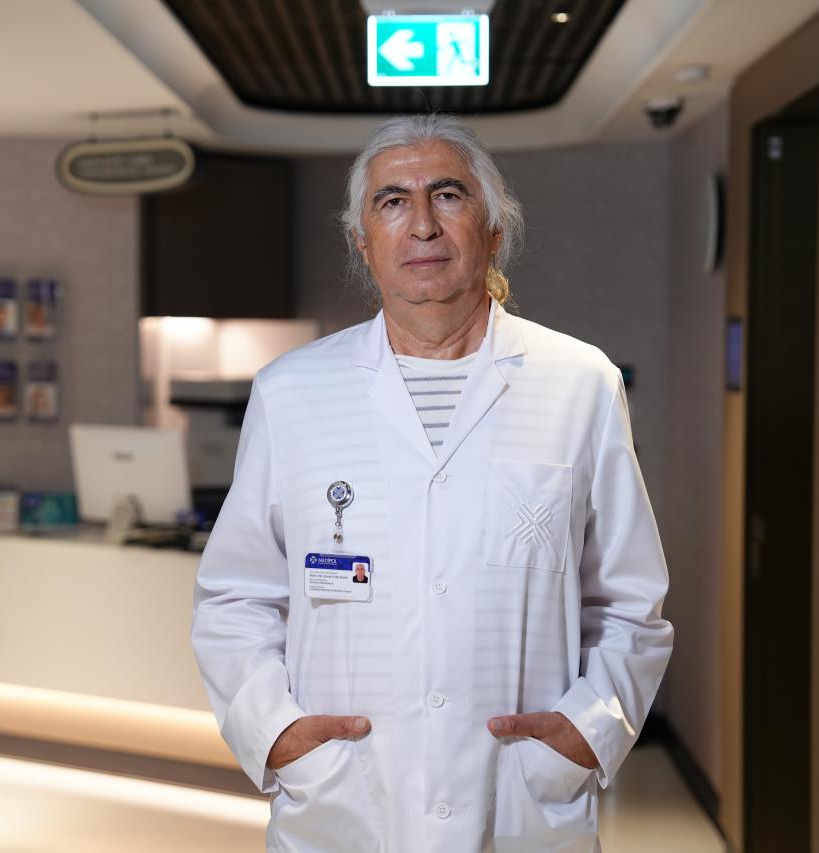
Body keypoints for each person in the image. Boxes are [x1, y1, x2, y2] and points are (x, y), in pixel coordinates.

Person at [191, 113, 672, 853]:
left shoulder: (580, 384)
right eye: (392, 201)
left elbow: (628, 601)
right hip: (341, 804)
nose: (421, 224)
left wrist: (585, 733)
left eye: (448, 195)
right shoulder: (291, 391)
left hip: (520, 805)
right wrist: (277, 733)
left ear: (494, 230)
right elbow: (236, 596)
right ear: (362, 241)